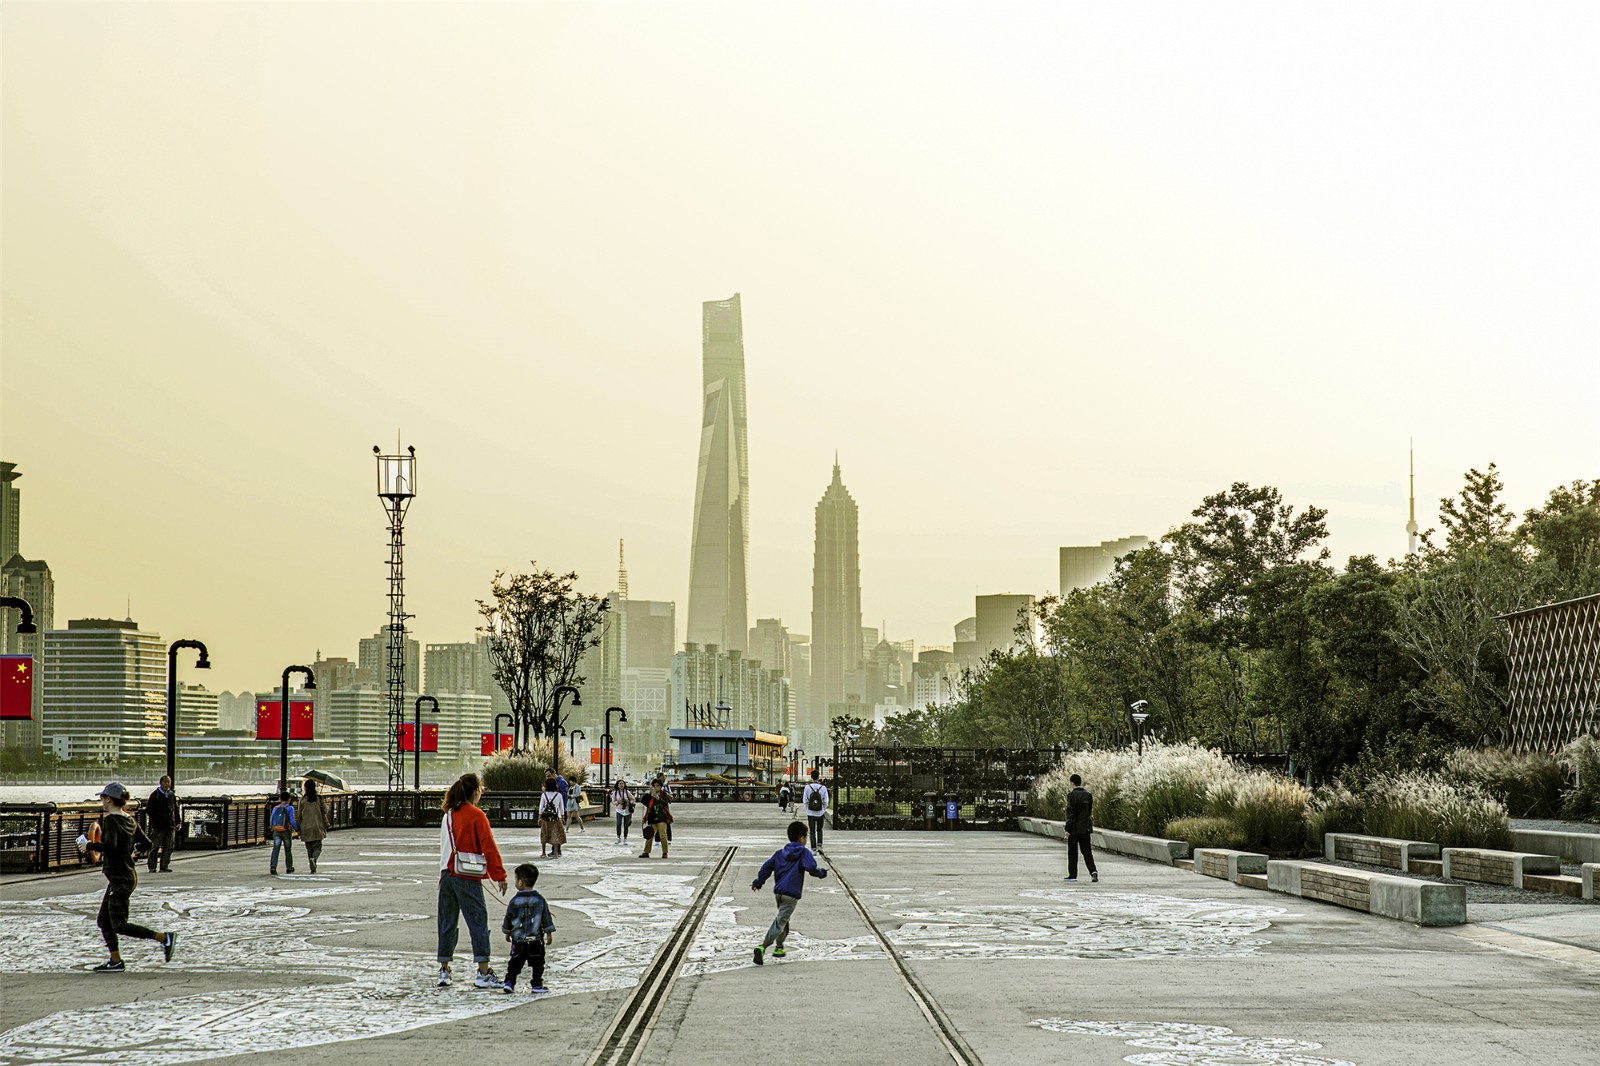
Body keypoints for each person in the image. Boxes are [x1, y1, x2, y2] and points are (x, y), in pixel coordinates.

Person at [80, 782, 176, 972]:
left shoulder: (111, 820)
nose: (101, 801)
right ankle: (115, 961)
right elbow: (147, 844)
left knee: (119, 924)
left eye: (102, 798)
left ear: (108, 799)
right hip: (126, 875)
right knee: (103, 921)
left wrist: (89, 846)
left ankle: (164, 938)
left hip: (120, 878)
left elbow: (110, 846)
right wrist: (133, 852)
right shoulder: (130, 820)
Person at [438, 772, 508, 989]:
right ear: (476, 791)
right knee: (478, 923)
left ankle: (444, 970)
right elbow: (489, 847)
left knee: (447, 924)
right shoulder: (477, 815)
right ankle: (483, 972)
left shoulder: (448, 815)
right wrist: (500, 876)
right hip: (467, 877)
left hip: (446, 876)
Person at [750, 820, 828, 965]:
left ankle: (779, 947)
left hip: (779, 893)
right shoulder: (804, 852)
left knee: (783, 918)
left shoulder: (779, 853)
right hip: (791, 894)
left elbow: (766, 867)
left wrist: (758, 882)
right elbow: (811, 868)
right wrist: (822, 873)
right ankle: (762, 947)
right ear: (802, 838)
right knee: (780, 921)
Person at [500, 862, 555, 994]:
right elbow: (546, 917)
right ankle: (536, 984)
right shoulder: (539, 900)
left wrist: (507, 932)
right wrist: (548, 932)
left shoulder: (514, 901)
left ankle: (509, 982)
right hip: (535, 939)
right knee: (537, 964)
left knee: (515, 963)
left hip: (518, 939)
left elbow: (509, 917)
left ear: (520, 882)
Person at [1063, 773, 1099, 883]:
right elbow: (1089, 811)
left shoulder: (1071, 795)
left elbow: (1070, 813)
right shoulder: (1088, 795)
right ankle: (1093, 871)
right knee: (1087, 852)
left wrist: (1067, 829)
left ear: (1072, 783)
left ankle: (1073, 874)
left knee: (1073, 853)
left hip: (1074, 829)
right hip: (1085, 828)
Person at [144, 775, 180, 873]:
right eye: (165, 782)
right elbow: (149, 810)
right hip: (158, 826)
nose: (166, 784)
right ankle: (152, 866)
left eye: (168, 782)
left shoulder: (172, 795)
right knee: (154, 846)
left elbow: (175, 809)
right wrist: (156, 820)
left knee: (169, 846)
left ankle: (164, 866)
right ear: (160, 783)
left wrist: (177, 821)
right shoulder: (155, 795)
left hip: (170, 825)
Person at [297, 779, 330, 874]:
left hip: (305, 827)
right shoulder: (318, 798)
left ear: (305, 788)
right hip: (317, 826)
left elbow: (299, 815)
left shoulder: (302, 800)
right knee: (317, 847)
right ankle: (314, 859)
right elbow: (325, 810)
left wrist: (298, 827)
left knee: (309, 848)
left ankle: (312, 866)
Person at [639, 780, 672, 859]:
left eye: (657, 785)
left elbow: (665, 803)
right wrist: (649, 794)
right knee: (650, 834)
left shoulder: (663, 794)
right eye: (654, 785)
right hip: (652, 816)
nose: (656, 787)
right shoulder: (650, 795)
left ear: (660, 786)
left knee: (662, 835)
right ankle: (646, 851)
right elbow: (643, 801)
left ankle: (665, 852)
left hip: (661, 816)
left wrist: (657, 797)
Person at [268, 791, 298, 875]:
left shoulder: (275, 808)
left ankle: (273, 867)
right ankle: (289, 867)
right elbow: (292, 821)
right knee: (288, 850)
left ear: (280, 799)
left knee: (275, 849)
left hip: (276, 831)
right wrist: (297, 828)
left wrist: (273, 827)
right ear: (289, 799)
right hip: (286, 831)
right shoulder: (290, 808)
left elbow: (271, 820)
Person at [538, 772, 567, 859]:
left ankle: (543, 852)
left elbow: (541, 807)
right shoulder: (559, 795)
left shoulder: (544, 795)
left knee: (544, 834)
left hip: (545, 817)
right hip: (556, 817)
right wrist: (562, 817)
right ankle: (556, 853)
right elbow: (561, 807)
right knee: (555, 834)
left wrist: (539, 817)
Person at [801, 769, 829, 849]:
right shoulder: (823, 788)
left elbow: (805, 800)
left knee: (812, 831)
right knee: (819, 829)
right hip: (820, 812)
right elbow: (826, 801)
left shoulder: (807, 787)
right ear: (818, 777)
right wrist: (822, 810)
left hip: (810, 813)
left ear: (811, 777)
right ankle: (819, 845)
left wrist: (808, 810)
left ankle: (813, 848)